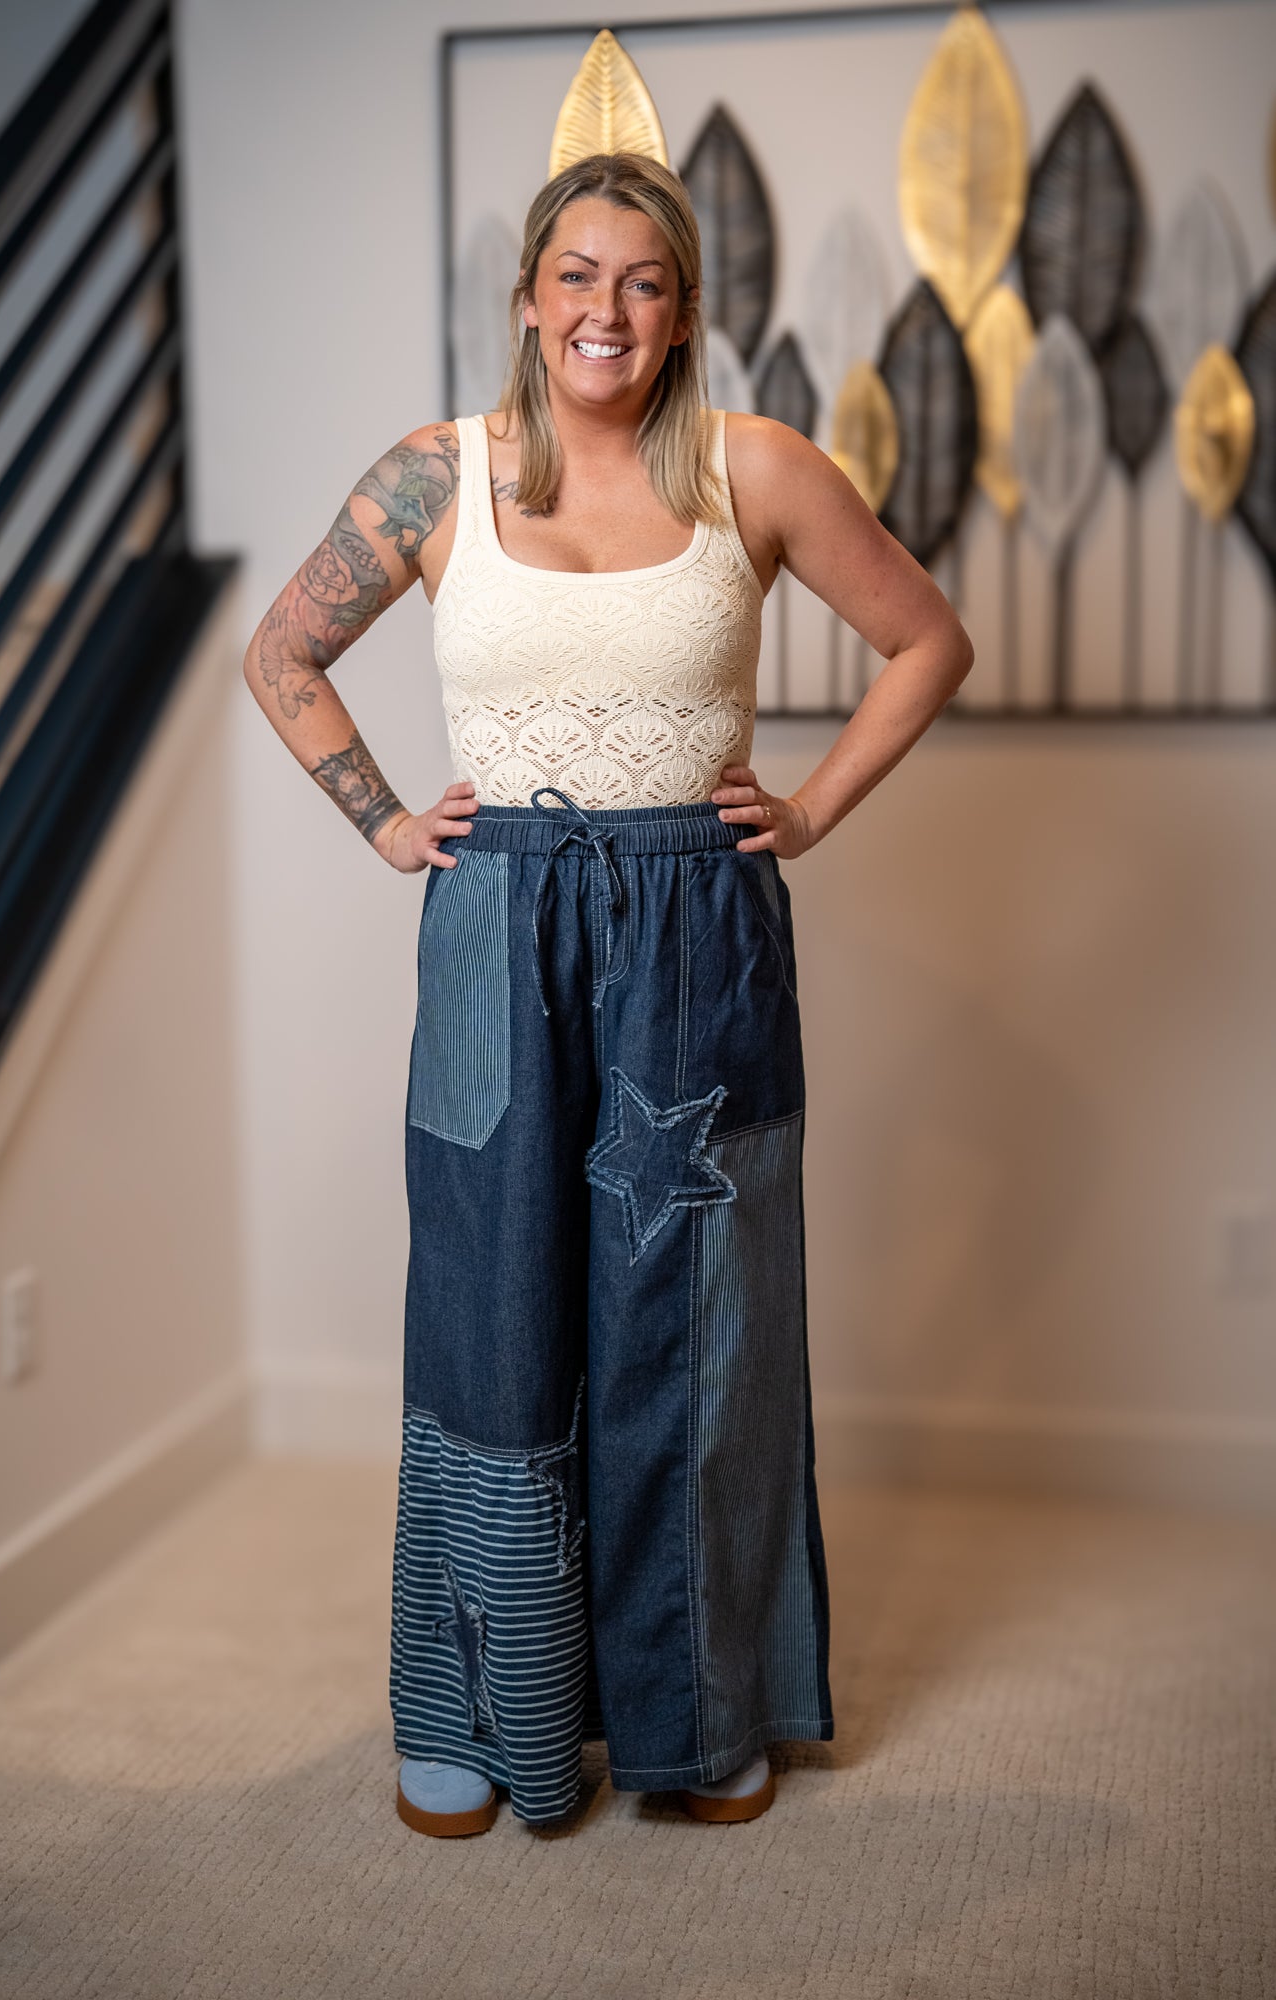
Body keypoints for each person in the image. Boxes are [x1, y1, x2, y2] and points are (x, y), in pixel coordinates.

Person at [242, 150, 973, 1837]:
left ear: (683, 310)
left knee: (695, 1330)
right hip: (497, 930)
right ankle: (479, 1705)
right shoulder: (436, 479)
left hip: (695, 930)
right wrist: (384, 821)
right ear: (526, 296)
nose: (605, 310)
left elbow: (926, 638)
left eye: (642, 281)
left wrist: (807, 808)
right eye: (576, 274)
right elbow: (281, 652)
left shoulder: (758, 470)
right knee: (491, 1319)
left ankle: (697, 1712)